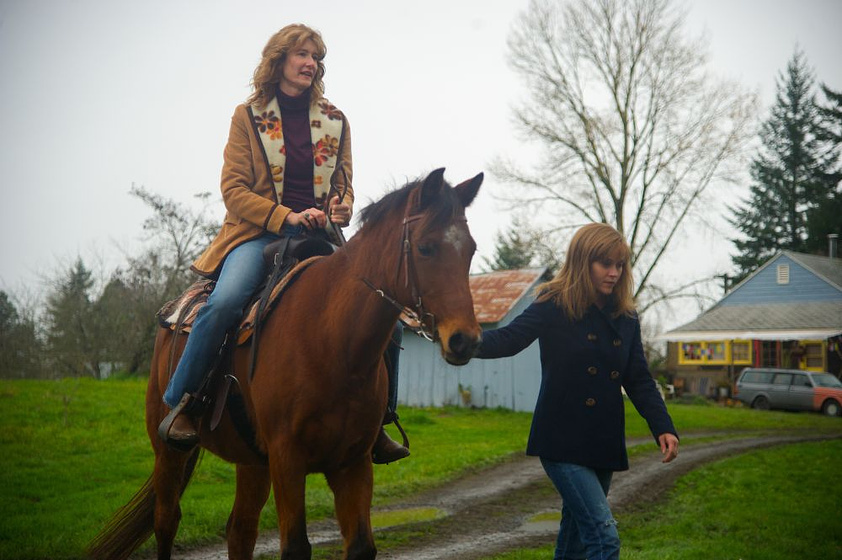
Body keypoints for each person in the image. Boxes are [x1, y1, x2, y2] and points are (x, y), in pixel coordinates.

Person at [158, 23, 409, 464]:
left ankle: (379, 422)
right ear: (279, 60)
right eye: (302, 55)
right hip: (257, 235)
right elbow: (233, 190)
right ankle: (182, 404)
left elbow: (344, 185)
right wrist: (286, 216)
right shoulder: (248, 116)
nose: (311, 63)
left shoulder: (335, 120)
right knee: (227, 301)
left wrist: (340, 209)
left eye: (317, 58)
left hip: (319, 237)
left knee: (387, 307)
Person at [475, 223, 679, 560]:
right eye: (605, 264)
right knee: (603, 539)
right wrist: (465, 342)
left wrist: (663, 426)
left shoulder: (625, 317)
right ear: (583, 262)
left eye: (620, 265)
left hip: (602, 441)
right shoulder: (554, 304)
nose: (614, 273)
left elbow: (638, 378)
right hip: (562, 439)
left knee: (574, 546)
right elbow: (509, 339)